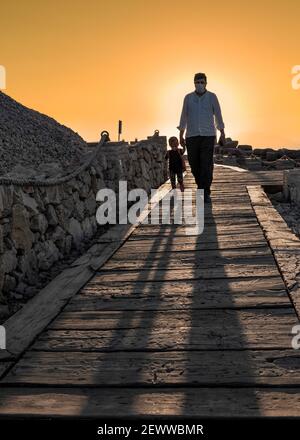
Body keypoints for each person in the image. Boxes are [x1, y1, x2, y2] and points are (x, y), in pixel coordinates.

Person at [177, 72, 225, 203]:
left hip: (208, 135)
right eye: (197, 82)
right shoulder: (188, 98)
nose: (199, 84)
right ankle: (201, 186)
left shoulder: (212, 97)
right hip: (191, 136)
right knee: (194, 164)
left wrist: (222, 132)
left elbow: (218, 116)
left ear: (206, 83)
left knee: (206, 164)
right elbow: (183, 117)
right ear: (194, 83)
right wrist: (181, 135)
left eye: (202, 82)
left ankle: (205, 192)